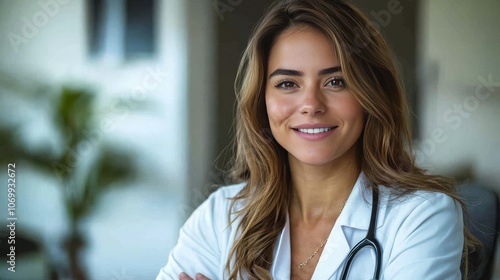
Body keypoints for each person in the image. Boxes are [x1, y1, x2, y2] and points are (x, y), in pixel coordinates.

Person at [156, 0, 478, 279]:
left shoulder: (422, 217)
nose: (311, 104)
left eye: (336, 81)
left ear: (370, 95)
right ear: (261, 100)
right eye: (287, 84)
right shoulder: (221, 216)